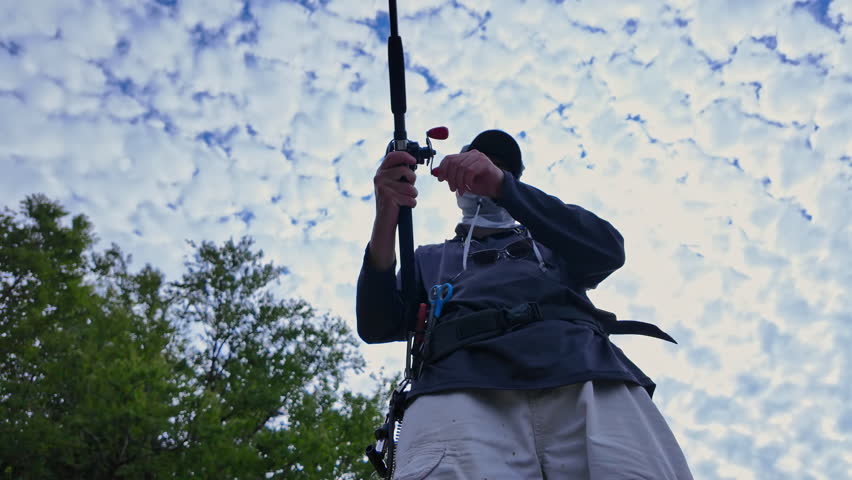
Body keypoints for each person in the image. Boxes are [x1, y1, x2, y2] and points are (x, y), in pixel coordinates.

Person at [357, 130, 693, 479]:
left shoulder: (551, 239)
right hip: (456, 391)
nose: (483, 171)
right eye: (476, 163)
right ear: (455, 184)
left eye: (498, 167)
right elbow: (377, 323)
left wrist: (504, 187)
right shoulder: (429, 258)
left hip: (590, 379)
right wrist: (386, 216)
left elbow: (607, 249)